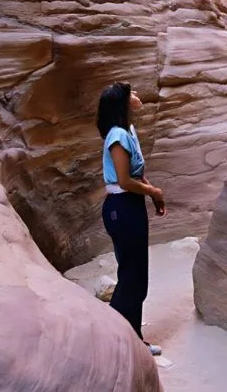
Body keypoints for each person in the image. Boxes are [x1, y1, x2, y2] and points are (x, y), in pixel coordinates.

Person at [97, 82, 167, 356]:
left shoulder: (127, 132)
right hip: (121, 207)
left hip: (130, 205)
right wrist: (154, 191)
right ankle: (113, 337)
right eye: (132, 93)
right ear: (124, 103)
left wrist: (152, 195)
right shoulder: (117, 136)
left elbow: (137, 173)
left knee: (137, 275)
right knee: (131, 276)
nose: (137, 96)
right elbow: (125, 180)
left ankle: (133, 338)